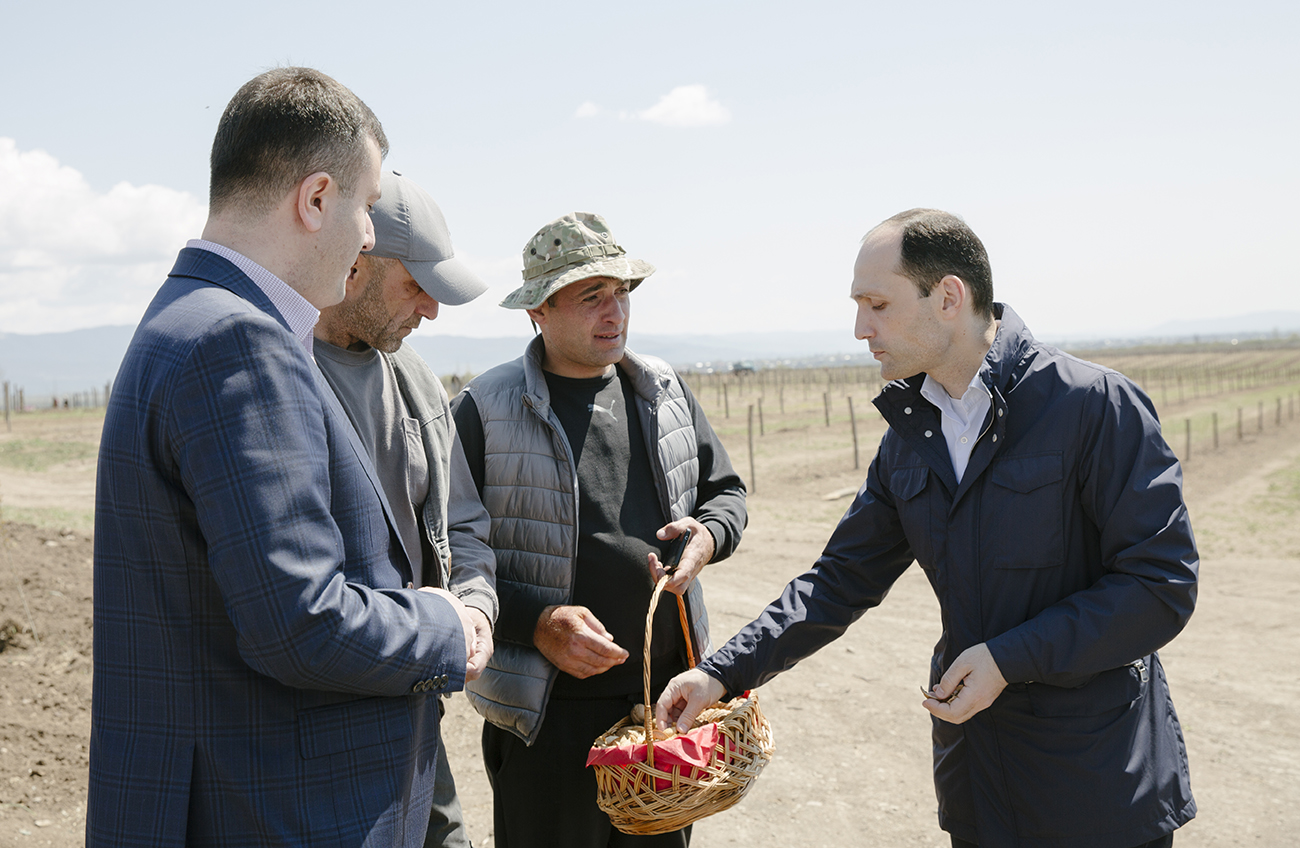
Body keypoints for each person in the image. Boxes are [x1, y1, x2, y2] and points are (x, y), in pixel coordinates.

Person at [658, 209, 1199, 848]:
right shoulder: (909, 438)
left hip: (1098, 788)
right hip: (978, 786)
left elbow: (1159, 586)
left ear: (948, 297)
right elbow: (839, 581)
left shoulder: (1093, 406)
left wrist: (1008, 659)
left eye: (878, 305)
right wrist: (721, 673)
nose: (861, 328)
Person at [89, 68, 478, 847]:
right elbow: (300, 623)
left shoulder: (187, 316)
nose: (368, 236)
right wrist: (445, 623)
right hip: (275, 814)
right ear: (316, 199)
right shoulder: (240, 341)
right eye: (367, 207)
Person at [451, 212, 748, 847]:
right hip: (546, 718)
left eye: (621, 292)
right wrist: (535, 622)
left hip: (663, 709)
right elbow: (445, 548)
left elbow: (725, 493)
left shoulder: (663, 390)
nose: (615, 312)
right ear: (538, 309)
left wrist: (709, 535)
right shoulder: (484, 408)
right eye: (591, 296)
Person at [313, 169, 497, 848]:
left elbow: (464, 525)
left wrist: (476, 606)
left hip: (414, 701)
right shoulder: (280, 374)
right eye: (417, 285)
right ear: (354, 263)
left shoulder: (414, 377)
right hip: (319, 717)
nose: (432, 311)